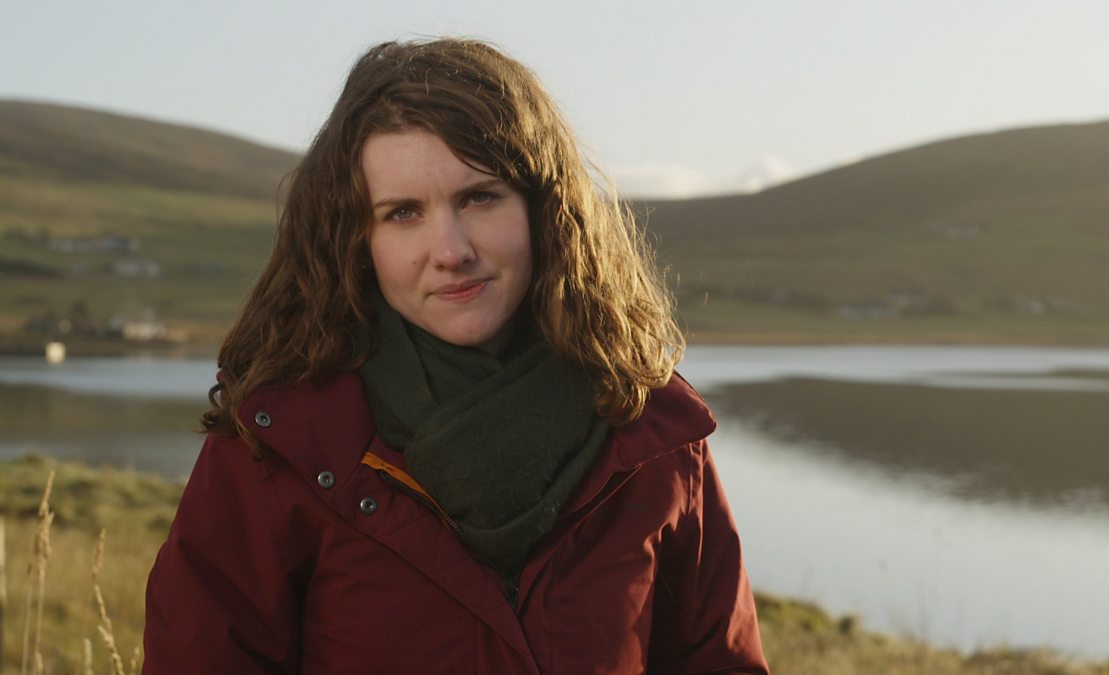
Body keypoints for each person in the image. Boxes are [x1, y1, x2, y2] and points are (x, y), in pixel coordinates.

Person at [143, 37, 768, 674]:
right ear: (357, 241)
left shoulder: (652, 431)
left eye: (479, 197)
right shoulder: (279, 444)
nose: (450, 250)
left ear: (545, 210)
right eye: (402, 213)